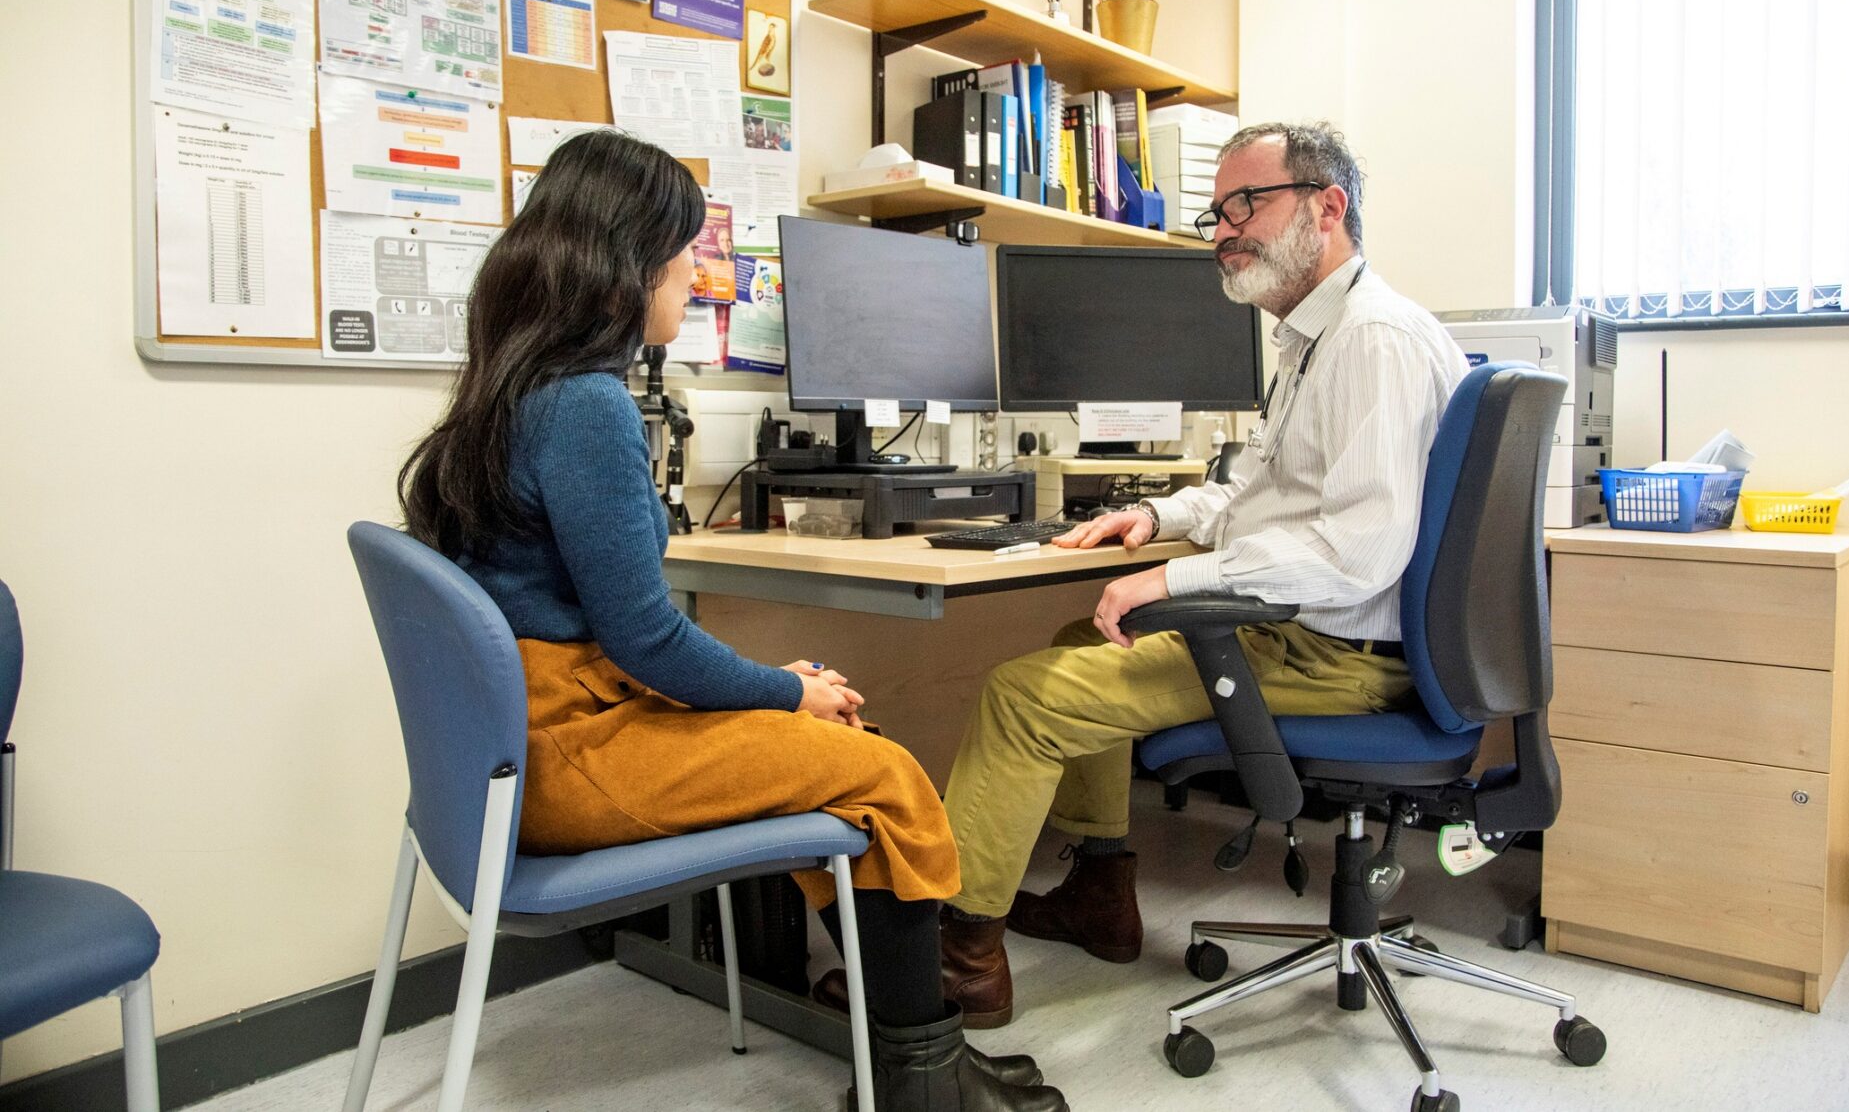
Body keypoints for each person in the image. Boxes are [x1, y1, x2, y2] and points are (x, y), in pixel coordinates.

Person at [397, 129, 1065, 1112]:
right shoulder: (585, 407)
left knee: (841, 749)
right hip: (566, 752)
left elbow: (622, 639)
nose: (692, 270)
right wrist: (791, 687)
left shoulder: (512, 385)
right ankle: (925, 1084)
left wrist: (783, 693)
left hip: (519, 748)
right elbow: (647, 640)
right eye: (680, 247)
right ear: (626, 262)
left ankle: (914, 1061)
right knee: (882, 771)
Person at [936, 122, 1471, 1028]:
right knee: (1082, 637)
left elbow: (1360, 550)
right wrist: (1159, 520)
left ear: (1327, 208)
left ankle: (955, 967)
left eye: (1246, 205)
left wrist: (1178, 583)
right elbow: (1261, 490)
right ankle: (1101, 894)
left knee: (1023, 696)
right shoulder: (1316, 338)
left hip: (1332, 651)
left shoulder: (1372, 342)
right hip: (1315, 633)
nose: (1223, 231)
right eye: (1215, 212)